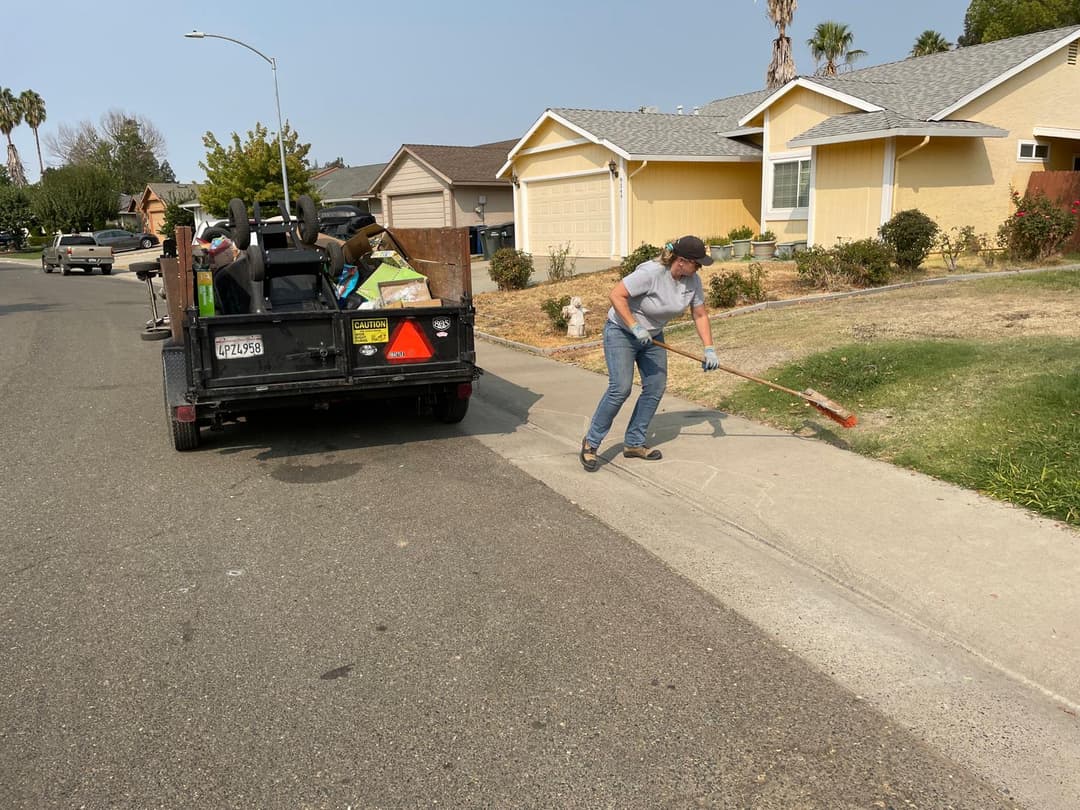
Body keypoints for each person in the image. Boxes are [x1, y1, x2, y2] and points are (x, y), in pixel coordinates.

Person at [580, 235, 721, 472]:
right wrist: (635, 326)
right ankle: (591, 443)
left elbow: (700, 314)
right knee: (620, 388)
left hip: (653, 336)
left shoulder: (692, 281)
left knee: (655, 386)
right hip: (621, 331)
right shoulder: (651, 273)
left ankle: (634, 443)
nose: (699, 268)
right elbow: (616, 295)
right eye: (696, 263)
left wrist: (709, 348)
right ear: (681, 261)